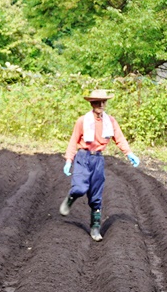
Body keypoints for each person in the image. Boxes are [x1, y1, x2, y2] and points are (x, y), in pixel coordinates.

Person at [59, 89, 139, 241]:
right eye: (97, 102)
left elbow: (119, 138)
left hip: (98, 159)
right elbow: (73, 141)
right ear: (91, 103)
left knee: (96, 195)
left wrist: (129, 153)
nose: (101, 105)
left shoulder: (110, 122)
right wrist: (69, 160)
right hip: (83, 157)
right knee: (80, 187)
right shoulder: (82, 121)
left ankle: (95, 227)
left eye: (103, 102)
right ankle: (71, 198)